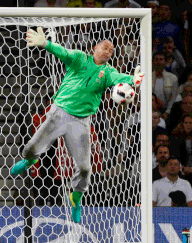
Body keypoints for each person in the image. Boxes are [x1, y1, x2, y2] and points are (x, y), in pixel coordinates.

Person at [11, 27, 145, 223]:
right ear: (94, 48)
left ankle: (76, 198)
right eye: (105, 47)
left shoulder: (108, 72)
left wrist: (133, 79)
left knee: (84, 169)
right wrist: (46, 44)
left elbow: (121, 79)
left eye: (112, 51)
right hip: (59, 112)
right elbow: (63, 52)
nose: (108, 52)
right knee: (31, 148)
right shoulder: (80, 58)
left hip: (81, 122)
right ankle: (30, 160)